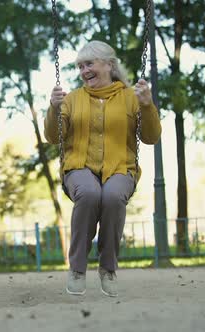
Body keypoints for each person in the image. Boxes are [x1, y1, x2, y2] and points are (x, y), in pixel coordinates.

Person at [44, 40, 161, 297]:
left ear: (109, 64)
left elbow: (151, 137)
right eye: (80, 66)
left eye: (89, 64)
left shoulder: (131, 97)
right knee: (89, 194)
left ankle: (108, 268)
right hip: (78, 167)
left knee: (111, 196)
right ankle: (77, 269)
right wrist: (53, 109)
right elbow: (54, 137)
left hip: (120, 167)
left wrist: (147, 105)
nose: (84, 70)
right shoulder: (72, 99)